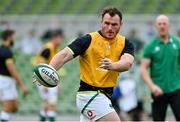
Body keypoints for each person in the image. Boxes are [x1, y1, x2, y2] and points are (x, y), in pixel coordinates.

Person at [48, 7, 134, 121]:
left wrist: (113, 65)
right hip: (90, 94)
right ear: (101, 22)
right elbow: (64, 55)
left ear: (121, 24)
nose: (109, 28)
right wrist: (48, 69)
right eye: (106, 23)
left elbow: (127, 63)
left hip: (105, 96)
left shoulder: (125, 43)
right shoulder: (88, 39)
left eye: (114, 24)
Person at [140, 15, 180, 121]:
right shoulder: (150, 46)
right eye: (159, 24)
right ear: (155, 26)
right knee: (158, 120)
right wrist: (152, 87)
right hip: (158, 90)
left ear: (169, 25)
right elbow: (143, 69)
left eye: (164, 23)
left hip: (176, 88)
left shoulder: (177, 43)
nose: (162, 26)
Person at [33, 31, 63, 122]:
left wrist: (58, 83)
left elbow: (52, 69)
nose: (60, 41)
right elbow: (40, 66)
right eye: (59, 38)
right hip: (44, 79)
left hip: (46, 79)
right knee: (52, 104)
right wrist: (44, 84)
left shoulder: (53, 48)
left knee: (47, 104)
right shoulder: (48, 49)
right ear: (54, 38)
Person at [0, 30, 28, 121]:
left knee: (14, 107)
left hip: (7, 81)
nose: (14, 39)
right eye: (13, 37)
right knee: (7, 108)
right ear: (9, 37)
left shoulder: (2, 49)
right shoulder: (7, 52)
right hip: (5, 81)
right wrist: (22, 85)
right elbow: (12, 70)